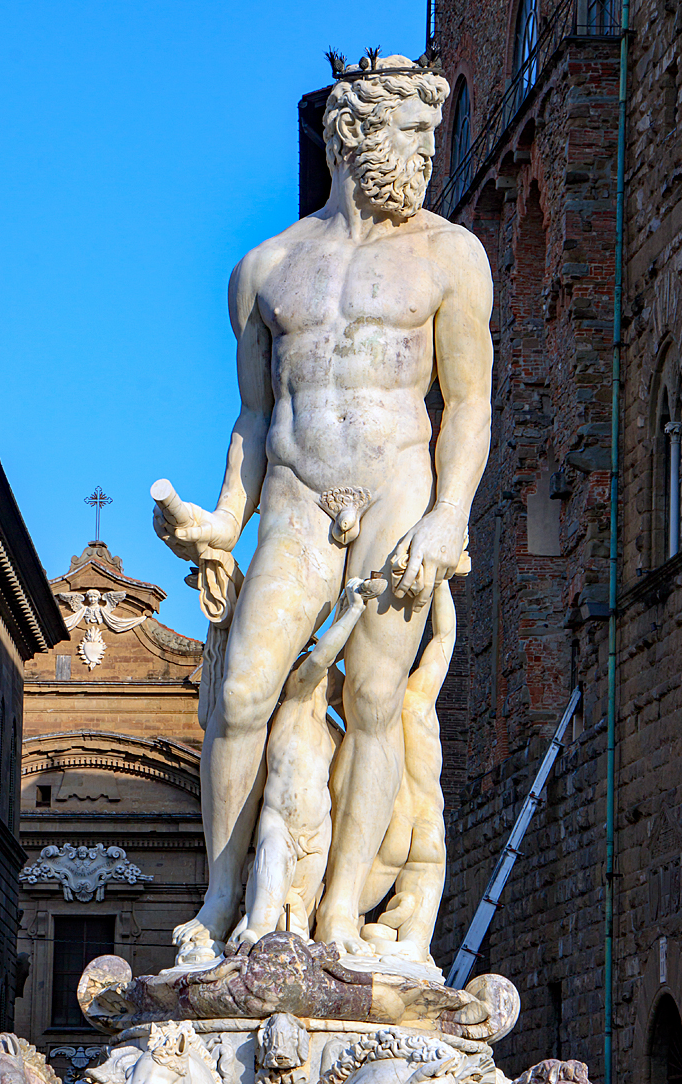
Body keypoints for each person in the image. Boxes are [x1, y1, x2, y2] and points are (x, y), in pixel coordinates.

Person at [154, 53, 493, 958]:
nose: (425, 156)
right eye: (411, 135)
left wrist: (449, 513)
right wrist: (226, 518)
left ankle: (342, 908)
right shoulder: (263, 269)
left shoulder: (452, 256)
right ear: (353, 134)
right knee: (243, 692)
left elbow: (469, 404)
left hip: (396, 494)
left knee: (377, 697)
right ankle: (223, 898)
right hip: (299, 499)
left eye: (432, 138)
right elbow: (256, 415)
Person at [233, 577, 383, 944]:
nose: (333, 679)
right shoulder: (295, 701)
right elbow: (321, 658)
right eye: (332, 677)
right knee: (263, 922)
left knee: (301, 924)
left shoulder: (335, 735)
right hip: (280, 828)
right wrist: (352, 612)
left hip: (318, 833)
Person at [358, 571, 463, 968]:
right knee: (414, 942)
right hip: (428, 823)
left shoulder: (367, 703)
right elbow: (444, 638)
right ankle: (413, 946)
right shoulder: (420, 698)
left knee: (352, 909)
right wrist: (441, 581)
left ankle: (351, 929)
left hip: (394, 825)